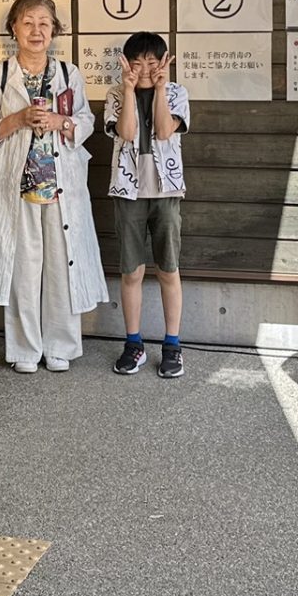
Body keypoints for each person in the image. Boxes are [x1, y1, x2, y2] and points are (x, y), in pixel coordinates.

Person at [0, 0, 106, 372]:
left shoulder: (68, 73)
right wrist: (19, 119)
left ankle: (60, 347)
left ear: (54, 30)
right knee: (22, 270)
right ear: (13, 27)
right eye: (28, 22)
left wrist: (61, 122)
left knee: (62, 267)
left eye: (44, 23)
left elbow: (86, 120)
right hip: (17, 188)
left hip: (61, 187)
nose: (36, 30)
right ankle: (26, 350)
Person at [104, 32, 190, 378]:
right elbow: (126, 133)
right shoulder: (114, 95)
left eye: (152, 62)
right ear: (125, 63)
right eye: (136, 62)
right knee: (131, 272)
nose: (144, 69)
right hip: (128, 192)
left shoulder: (176, 93)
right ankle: (134, 343)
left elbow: (166, 131)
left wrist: (158, 89)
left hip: (166, 192)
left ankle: (172, 345)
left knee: (168, 269)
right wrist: (127, 89)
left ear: (163, 62)